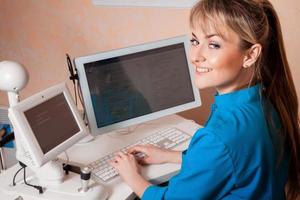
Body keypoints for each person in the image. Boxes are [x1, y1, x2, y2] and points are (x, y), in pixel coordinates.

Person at [110, 0, 300, 199]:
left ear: (250, 55)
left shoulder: (218, 136)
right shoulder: (267, 101)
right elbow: (235, 162)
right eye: (195, 41)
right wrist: (169, 156)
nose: (195, 56)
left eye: (213, 44)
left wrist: (132, 177)